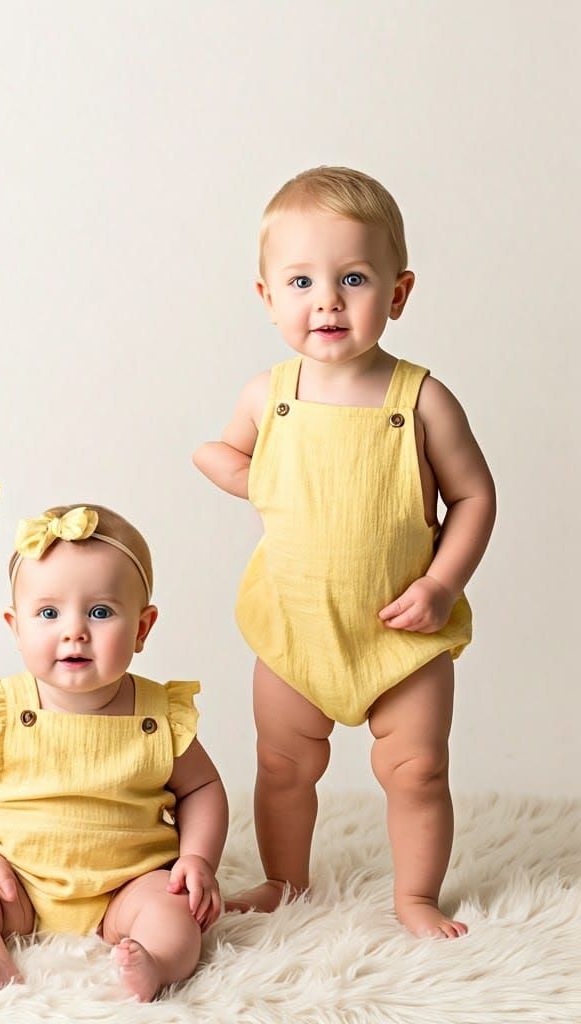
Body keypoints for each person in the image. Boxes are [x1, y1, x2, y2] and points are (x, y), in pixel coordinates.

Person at [193, 167, 496, 939]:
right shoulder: (268, 396)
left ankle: (415, 896)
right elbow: (222, 453)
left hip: (402, 633)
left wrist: (441, 583)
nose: (326, 301)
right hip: (294, 628)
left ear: (397, 293)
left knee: (417, 769)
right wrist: (248, 478)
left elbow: (473, 498)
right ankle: (284, 880)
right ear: (268, 298)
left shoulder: (421, 400)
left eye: (353, 278)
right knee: (283, 765)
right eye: (301, 281)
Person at [0, 505, 228, 1001]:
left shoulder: (159, 714)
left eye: (100, 612)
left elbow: (203, 788)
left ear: (142, 628)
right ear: (15, 627)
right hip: (15, 884)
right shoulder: (2, 709)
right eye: (49, 613)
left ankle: (155, 962)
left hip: (126, 887)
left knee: (173, 909)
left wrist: (197, 858)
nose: (74, 631)